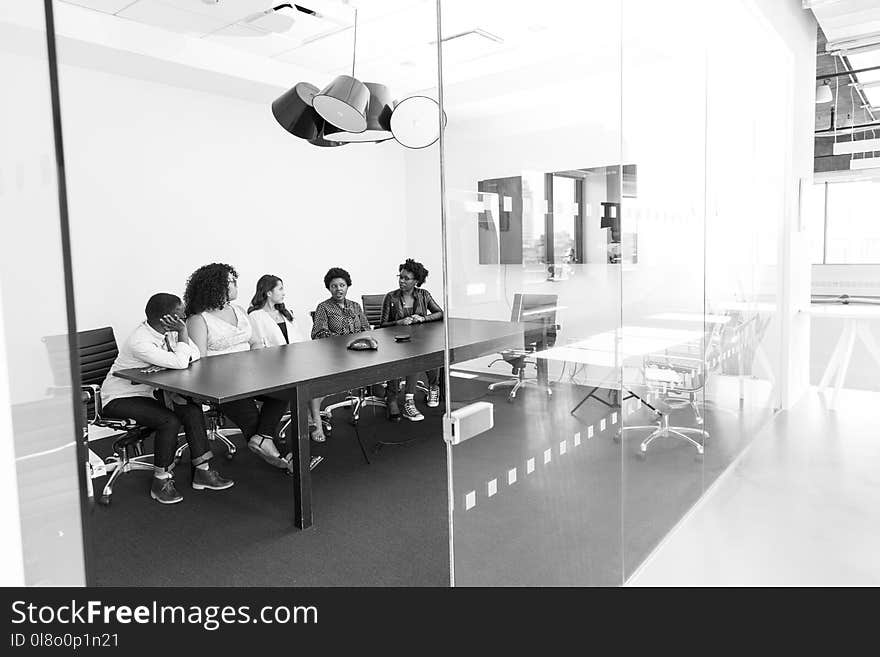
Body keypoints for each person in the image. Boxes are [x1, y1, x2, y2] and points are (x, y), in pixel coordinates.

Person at [100, 293, 233, 504]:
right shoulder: (140, 342)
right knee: (168, 421)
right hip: (121, 397)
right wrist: (182, 334)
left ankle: (203, 471)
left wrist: (181, 339)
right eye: (181, 314)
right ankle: (160, 481)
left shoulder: (168, 332)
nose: (184, 317)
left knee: (191, 410)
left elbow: (194, 354)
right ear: (166, 318)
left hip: (151, 392)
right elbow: (181, 362)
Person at [184, 263, 290, 470]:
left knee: (285, 391)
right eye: (232, 282)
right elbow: (200, 362)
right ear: (216, 286)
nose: (235, 286)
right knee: (250, 415)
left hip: (250, 374)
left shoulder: (239, 310)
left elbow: (255, 343)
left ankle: (262, 439)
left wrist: (261, 360)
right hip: (220, 382)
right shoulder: (198, 319)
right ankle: (283, 458)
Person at [247, 274, 322, 470]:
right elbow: (258, 347)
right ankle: (294, 455)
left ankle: (289, 445)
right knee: (289, 393)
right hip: (270, 371)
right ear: (268, 292)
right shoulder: (255, 316)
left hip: (293, 366)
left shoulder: (285, 313)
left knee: (309, 383)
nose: (284, 292)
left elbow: (299, 339)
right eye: (280, 289)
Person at [309, 267, 370, 442]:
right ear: (329, 288)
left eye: (342, 285)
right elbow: (318, 333)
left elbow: (366, 328)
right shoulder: (324, 307)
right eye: (334, 286)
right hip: (334, 356)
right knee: (318, 388)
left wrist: (360, 340)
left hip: (360, 354)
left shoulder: (355, 306)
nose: (339, 289)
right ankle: (316, 423)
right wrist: (344, 340)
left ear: (347, 286)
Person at [379, 258, 444, 421]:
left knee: (433, 353)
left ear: (416, 281)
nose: (401, 281)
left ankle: (434, 387)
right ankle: (405, 400)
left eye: (406, 278)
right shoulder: (391, 297)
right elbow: (382, 325)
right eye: (400, 277)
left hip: (420, 339)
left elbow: (440, 313)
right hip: (397, 342)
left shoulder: (423, 295)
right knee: (412, 357)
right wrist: (398, 322)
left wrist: (422, 319)